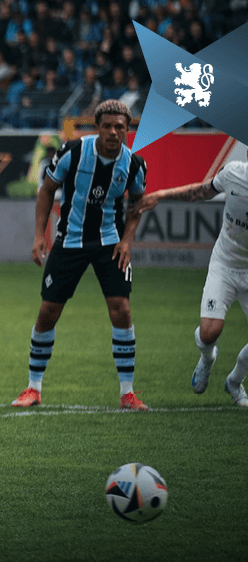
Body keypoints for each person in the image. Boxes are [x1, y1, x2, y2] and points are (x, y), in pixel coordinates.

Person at [12, 100, 148, 411]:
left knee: (121, 310)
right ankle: (33, 388)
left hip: (110, 243)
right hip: (69, 241)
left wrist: (128, 240)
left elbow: (137, 202)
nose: (114, 132)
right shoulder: (73, 151)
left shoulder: (134, 164)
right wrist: (38, 235)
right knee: (48, 311)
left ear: (127, 130)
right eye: (107, 126)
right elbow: (47, 189)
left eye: (120, 127)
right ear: (98, 127)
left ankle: (127, 392)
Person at [131, 148, 248, 407]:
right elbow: (200, 192)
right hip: (226, 265)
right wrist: (161, 194)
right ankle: (207, 359)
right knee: (209, 333)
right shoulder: (234, 174)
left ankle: (235, 383)